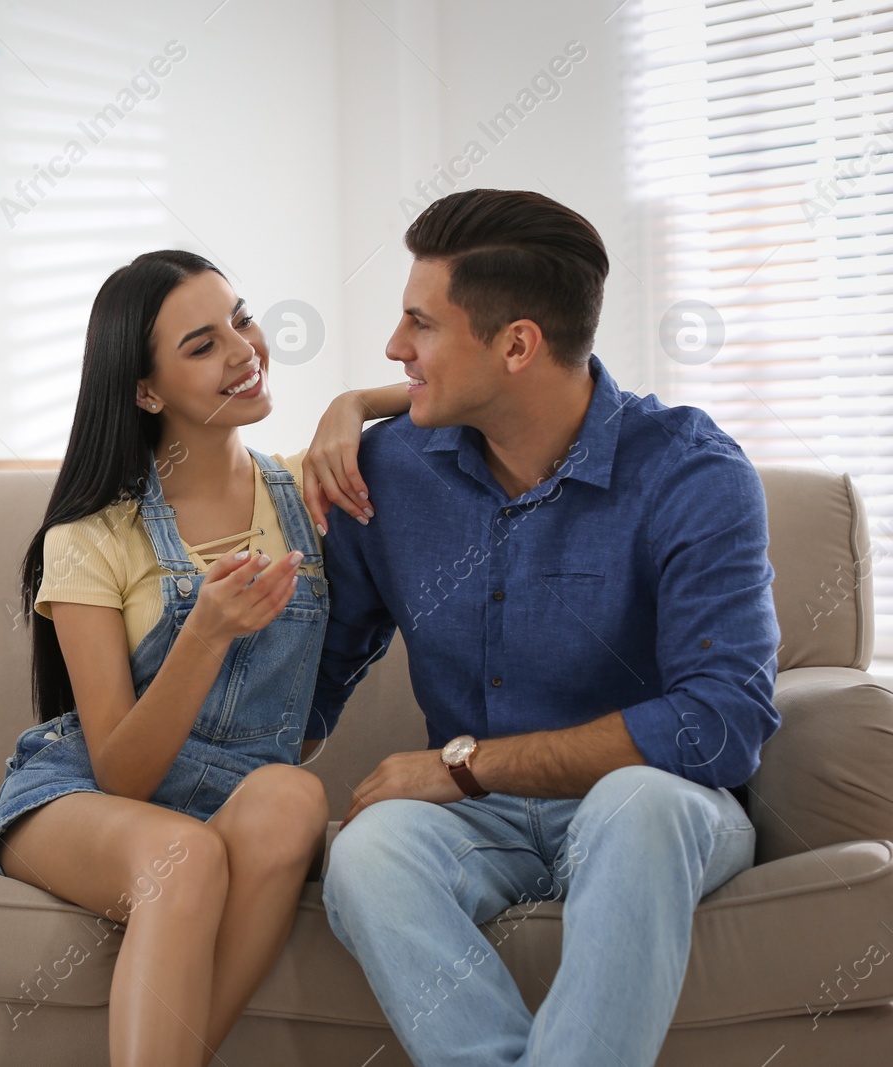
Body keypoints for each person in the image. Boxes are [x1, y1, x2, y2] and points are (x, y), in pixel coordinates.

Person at [311, 189, 781, 1066]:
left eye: (420, 323)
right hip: (479, 824)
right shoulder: (389, 471)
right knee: (370, 850)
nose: (393, 347)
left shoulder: (691, 474)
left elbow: (723, 725)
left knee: (637, 805)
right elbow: (312, 678)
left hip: (655, 806)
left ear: (518, 344)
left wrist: (470, 765)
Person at [0, 249, 409, 1066]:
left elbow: (450, 399)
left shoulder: (309, 494)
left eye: (242, 319)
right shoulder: (92, 537)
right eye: (202, 345)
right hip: (84, 799)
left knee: (293, 795)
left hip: (232, 798)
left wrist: (354, 400)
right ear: (146, 391)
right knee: (185, 856)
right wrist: (204, 634)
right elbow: (123, 773)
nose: (243, 350)